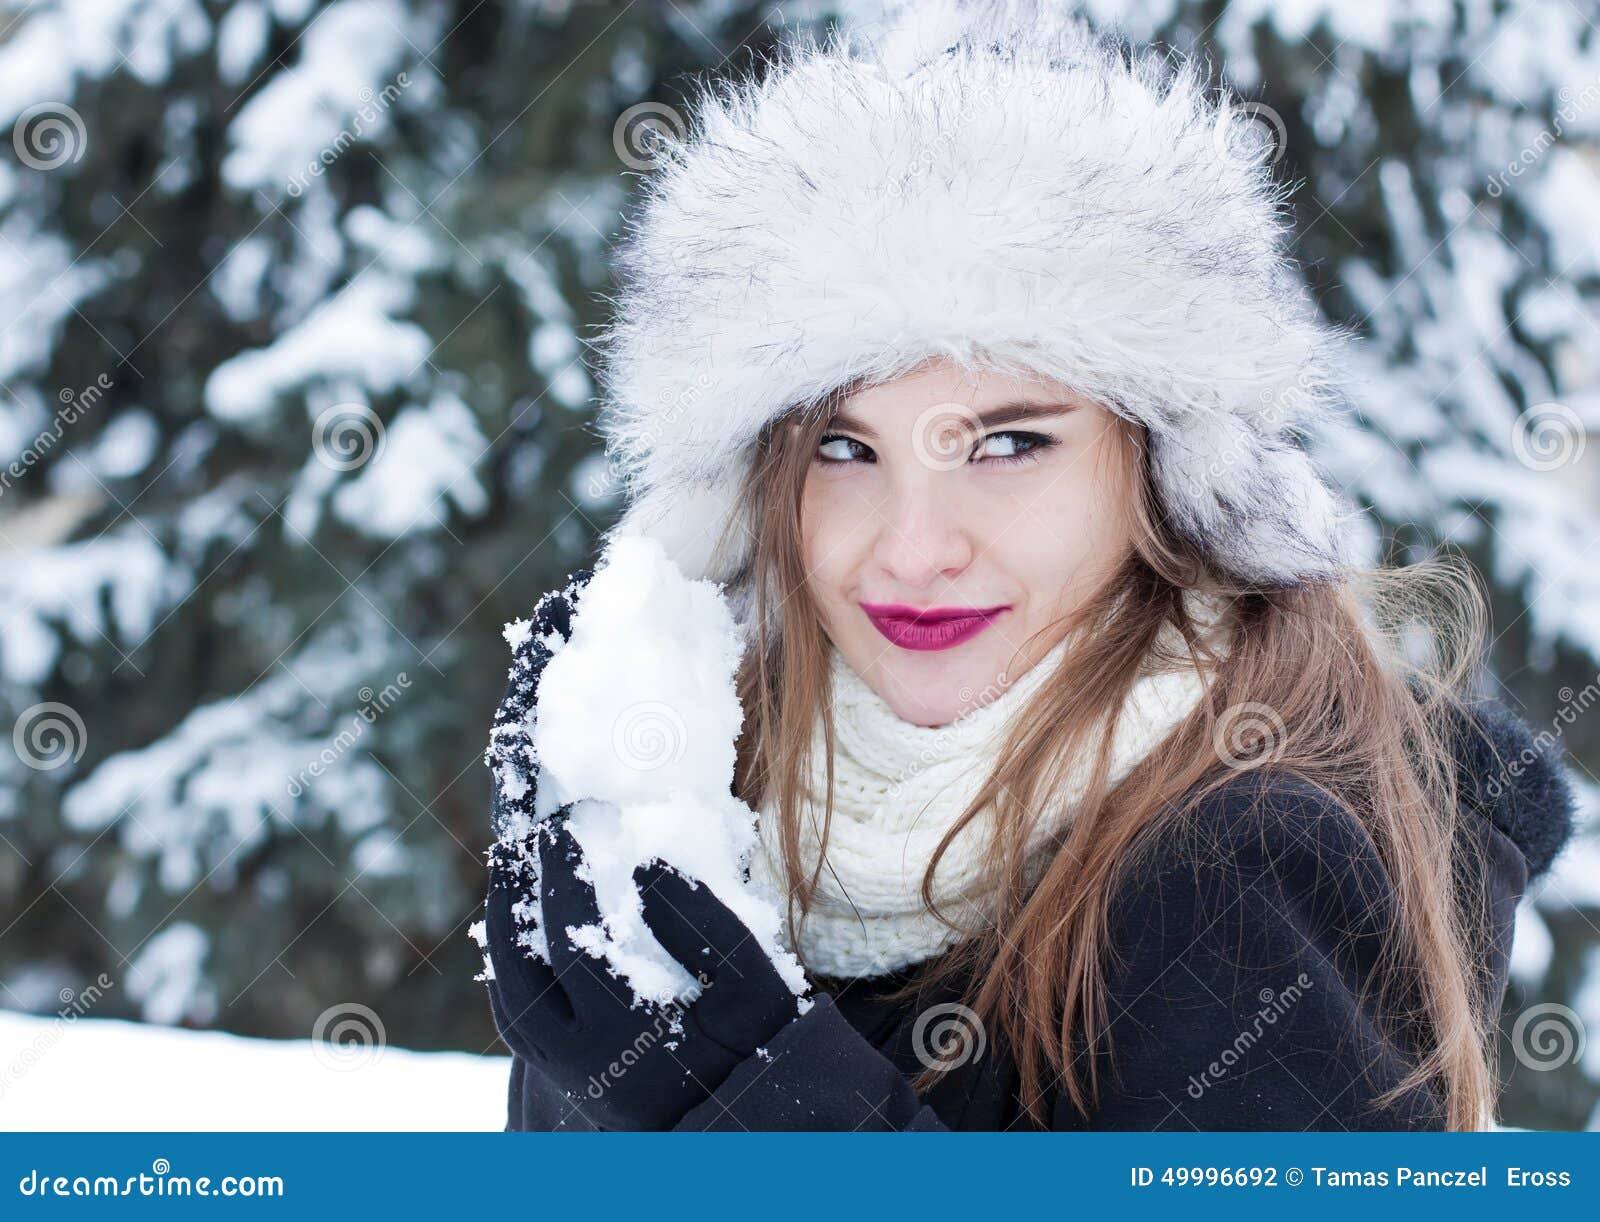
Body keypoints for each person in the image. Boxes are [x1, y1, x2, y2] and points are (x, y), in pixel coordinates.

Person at [480, 1, 1576, 1131]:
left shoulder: (1249, 870)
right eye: (843, 448)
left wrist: (752, 1105)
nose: (913, 548)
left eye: (1009, 443)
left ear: (1158, 468)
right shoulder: (708, 804)